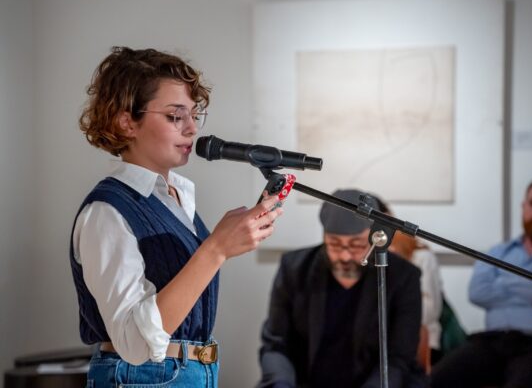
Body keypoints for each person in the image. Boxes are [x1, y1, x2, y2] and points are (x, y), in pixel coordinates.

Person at [70, 47, 283, 387]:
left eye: (194, 116)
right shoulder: (106, 212)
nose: (191, 130)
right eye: (175, 116)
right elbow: (134, 344)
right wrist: (215, 249)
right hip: (144, 377)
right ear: (127, 121)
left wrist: (224, 244)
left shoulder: (177, 199)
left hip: (190, 373)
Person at [431, 177, 532, 388]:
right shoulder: (497, 252)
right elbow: (478, 292)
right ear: (523, 206)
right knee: (435, 380)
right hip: (491, 342)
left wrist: (503, 284)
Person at [258, 189, 426, 388]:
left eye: (356, 245)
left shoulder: (403, 276)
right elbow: (276, 344)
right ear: (324, 237)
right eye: (335, 245)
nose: (345, 257)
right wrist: (281, 384)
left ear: (374, 237)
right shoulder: (294, 269)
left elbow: (399, 358)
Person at [374, 198, 444, 365]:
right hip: (373, 342)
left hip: (415, 341)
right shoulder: (359, 257)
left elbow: (430, 311)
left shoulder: (419, 254)